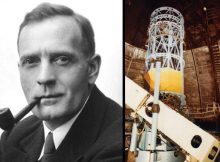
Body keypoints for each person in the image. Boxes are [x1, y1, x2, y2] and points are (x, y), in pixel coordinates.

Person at [0, 2, 122, 162]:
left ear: (92, 69)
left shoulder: (117, 145)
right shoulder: (14, 136)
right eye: (31, 61)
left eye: (62, 59)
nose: (43, 78)